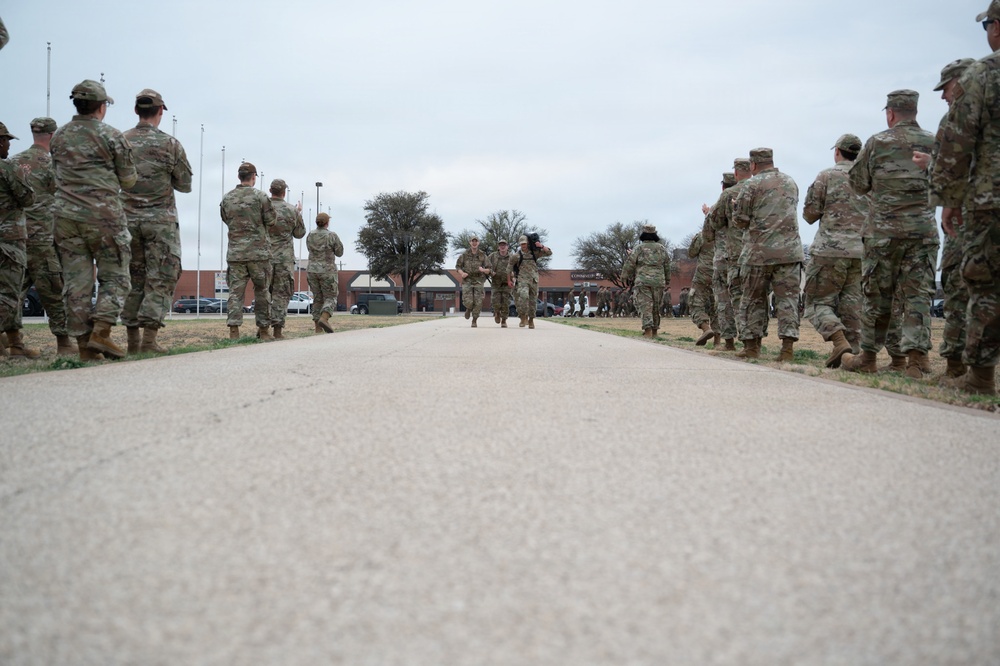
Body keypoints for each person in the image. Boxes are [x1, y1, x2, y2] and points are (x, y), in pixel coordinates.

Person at [930, 3, 1000, 395]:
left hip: (991, 199)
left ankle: (980, 378)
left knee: (984, 284)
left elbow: (958, 144)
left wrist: (950, 199)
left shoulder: (986, 73)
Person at [842, 90, 937, 377]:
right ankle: (917, 361)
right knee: (918, 296)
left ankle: (868, 359)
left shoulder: (877, 142)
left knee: (876, 295)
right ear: (915, 112)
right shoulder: (935, 143)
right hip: (922, 231)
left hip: (882, 232)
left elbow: (857, 184)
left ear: (891, 113)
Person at [50, 80, 137, 361]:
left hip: (65, 217)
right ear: (102, 107)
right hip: (104, 217)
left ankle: (85, 347)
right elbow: (129, 178)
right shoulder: (111, 135)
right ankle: (101, 331)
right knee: (117, 276)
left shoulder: (59, 137)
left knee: (76, 283)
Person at [120, 89, 193, 354]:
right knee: (160, 278)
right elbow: (184, 185)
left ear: (136, 110)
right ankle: (149, 341)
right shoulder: (170, 144)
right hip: (160, 222)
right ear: (161, 111)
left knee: (132, 279)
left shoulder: (121, 141)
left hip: (126, 221)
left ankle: (131, 342)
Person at [801, 133, 869, 368]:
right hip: (861, 251)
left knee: (817, 303)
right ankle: (853, 358)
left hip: (829, 250)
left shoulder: (827, 176)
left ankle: (839, 342)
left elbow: (810, 215)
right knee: (852, 307)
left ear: (837, 151)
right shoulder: (869, 178)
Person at [732, 147, 804, 361]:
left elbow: (741, 221)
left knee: (753, 300)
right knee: (788, 301)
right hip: (789, 252)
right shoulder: (790, 182)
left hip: (759, 253)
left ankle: (752, 347)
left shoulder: (751, 185)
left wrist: (736, 209)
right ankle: (787, 349)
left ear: (753, 165)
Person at [11, 117, 74, 356]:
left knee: (11, 293)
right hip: (43, 241)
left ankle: (11, 344)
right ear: (53, 135)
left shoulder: (13, 162)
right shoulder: (52, 165)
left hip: (14, 238)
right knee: (54, 293)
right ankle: (64, 344)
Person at [220, 162, 276, 340]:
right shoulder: (261, 197)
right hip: (259, 254)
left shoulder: (228, 198)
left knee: (236, 293)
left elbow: (225, 218)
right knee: (262, 291)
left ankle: (234, 332)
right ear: (253, 177)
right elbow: (271, 220)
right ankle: (264, 331)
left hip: (236, 254)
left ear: (239, 177)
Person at [0, 121, 37, 361]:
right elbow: (28, 199)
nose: (8, 145)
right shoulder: (8, 168)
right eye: (6, 140)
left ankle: (14, 345)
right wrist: (23, 174)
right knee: (8, 295)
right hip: (8, 241)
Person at [266, 178, 305, 339]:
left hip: (264, 256)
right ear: (283, 192)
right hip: (284, 258)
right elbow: (299, 233)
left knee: (264, 293)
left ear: (270, 190)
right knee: (281, 294)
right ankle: (277, 330)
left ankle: (262, 328)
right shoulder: (291, 210)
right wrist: (298, 213)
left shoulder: (262, 208)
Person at [704, 172, 739, 350]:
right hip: (747, 256)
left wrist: (708, 214)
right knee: (747, 300)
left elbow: (708, 235)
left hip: (724, 258)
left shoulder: (719, 205)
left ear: (723, 187)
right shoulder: (752, 198)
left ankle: (729, 342)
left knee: (724, 301)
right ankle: (752, 343)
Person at [621, 223, 671, 337]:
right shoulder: (662, 249)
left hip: (643, 281)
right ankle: (655, 331)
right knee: (656, 306)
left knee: (645, 306)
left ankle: (647, 331)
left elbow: (630, 263)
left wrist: (624, 276)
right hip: (658, 281)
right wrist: (667, 279)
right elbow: (667, 265)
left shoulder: (639, 248)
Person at [306, 212, 343, 333]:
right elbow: (339, 252)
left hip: (312, 270)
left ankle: (318, 327)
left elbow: (309, 248)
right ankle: (324, 318)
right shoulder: (331, 235)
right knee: (330, 296)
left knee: (317, 298)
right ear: (327, 222)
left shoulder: (310, 235)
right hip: (327, 270)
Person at [510, 234, 552, 329]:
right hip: (522, 280)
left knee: (533, 302)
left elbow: (549, 253)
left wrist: (541, 246)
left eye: (525, 243)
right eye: (522, 244)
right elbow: (509, 267)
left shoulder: (534, 253)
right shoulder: (517, 255)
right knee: (523, 297)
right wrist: (510, 279)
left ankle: (531, 320)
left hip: (533, 280)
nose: (523, 245)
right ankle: (523, 317)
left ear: (528, 243)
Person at [687, 231, 717, 345]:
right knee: (717, 306)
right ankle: (718, 341)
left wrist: (693, 241)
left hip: (702, 275)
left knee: (695, 303)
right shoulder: (726, 234)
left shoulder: (702, 235)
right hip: (721, 273)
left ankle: (706, 328)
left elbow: (691, 253)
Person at [455, 235, 490, 327]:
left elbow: (489, 269)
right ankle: (468, 308)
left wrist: (483, 270)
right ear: (470, 243)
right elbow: (458, 266)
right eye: (472, 241)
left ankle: (474, 320)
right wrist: (462, 273)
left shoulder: (482, 255)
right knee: (468, 301)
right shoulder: (464, 255)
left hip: (479, 280)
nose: (474, 243)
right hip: (467, 280)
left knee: (478, 302)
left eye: (476, 241)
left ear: (478, 243)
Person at [487, 238, 513, 327]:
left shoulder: (511, 257)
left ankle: (504, 320)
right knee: (495, 302)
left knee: (506, 303)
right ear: (498, 247)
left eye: (504, 245)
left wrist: (514, 275)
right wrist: (491, 271)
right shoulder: (493, 256)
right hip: (496, 283)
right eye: (501, 245)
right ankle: (497, 313)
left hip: (507, 284)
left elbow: (517, 268)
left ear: (507, 247)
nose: (502, 247)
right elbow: (485, 265)